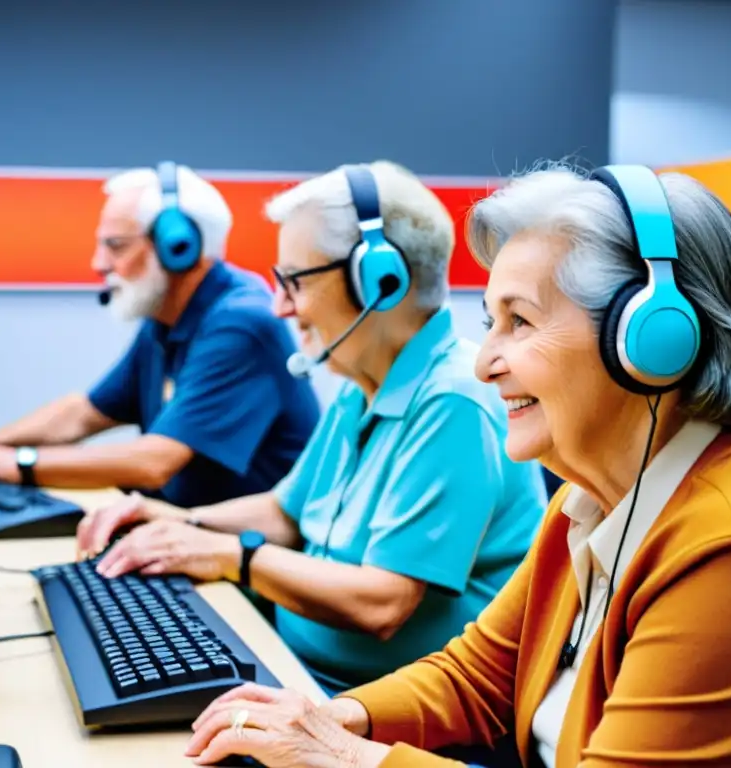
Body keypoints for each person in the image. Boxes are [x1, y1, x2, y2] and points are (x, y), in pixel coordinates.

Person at [180, 162, 731, 767]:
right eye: (489, 322)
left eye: (519, 322)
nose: (487, 360)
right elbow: (482, 674)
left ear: (652, 341)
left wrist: (344, 757)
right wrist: (331, 714)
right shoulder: (594, 499)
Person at [76, 160, 548, 696]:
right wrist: (177, 523)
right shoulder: (363, 382)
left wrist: (230, 556)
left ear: (380, 282)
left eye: (294, 282)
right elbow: (283, 512)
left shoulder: (454, 400)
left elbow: (383, 602)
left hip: (374, 708)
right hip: (299, 669)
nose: (280, 306)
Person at [0, 162, 320, 508]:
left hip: (251, 548)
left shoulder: (241, 323)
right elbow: (83, 414)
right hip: (190, 538)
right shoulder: (164, 318)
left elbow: (154, 463)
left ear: (178, 249)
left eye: (116, 246)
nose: (99, 263)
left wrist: (13, 463)